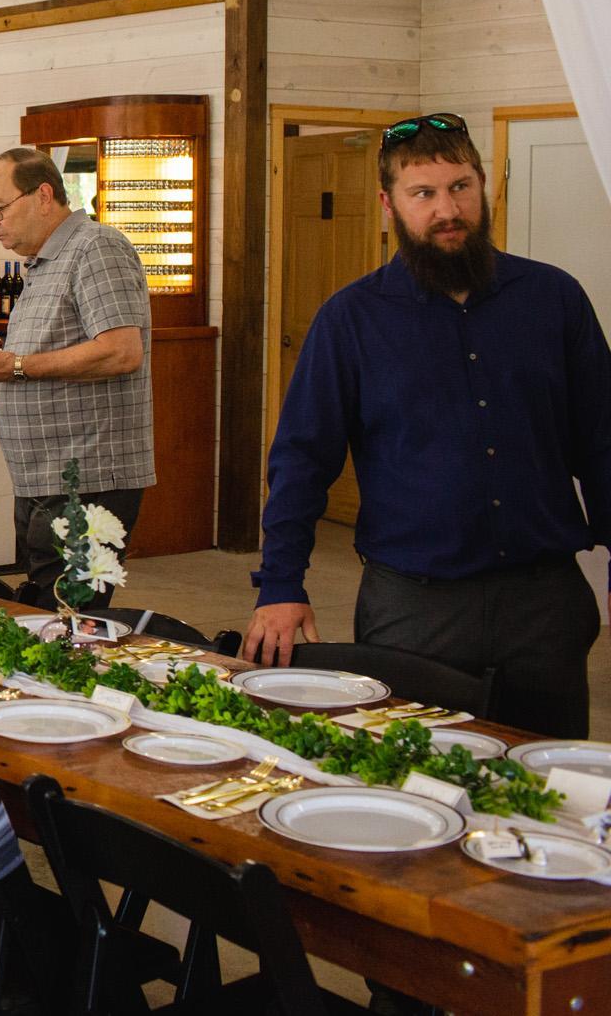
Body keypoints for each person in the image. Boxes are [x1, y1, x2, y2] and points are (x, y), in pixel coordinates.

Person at [244, 115, 611, 738]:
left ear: (483, 185)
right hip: (413, 608)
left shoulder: (553, 299)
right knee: (414, 773)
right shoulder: (351, 319)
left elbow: (601, 442)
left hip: (542, 602)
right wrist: (281, 583)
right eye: (424, 193)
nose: (448, 210)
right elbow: (302, 461)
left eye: (461, 187)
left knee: (550, 777)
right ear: (389, 204)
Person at [0, 147, 152, 598]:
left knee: (68, 614)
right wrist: (3, 364)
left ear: (44, 195)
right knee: (43, 609)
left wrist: (17, 366)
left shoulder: (96, 248)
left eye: (0, 209)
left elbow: (121, 352)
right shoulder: (44, 262)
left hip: (85, 475)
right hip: (44, 473)